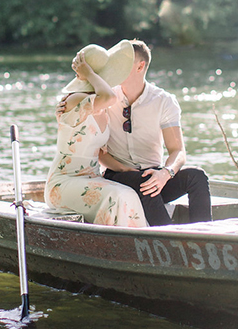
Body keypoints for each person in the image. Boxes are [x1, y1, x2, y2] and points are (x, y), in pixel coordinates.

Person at [101, 39, 212, 226]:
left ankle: (204, 237)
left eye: (122, 62)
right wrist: (126, 169)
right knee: (147, 185)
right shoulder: (107, 97)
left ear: (140, 66)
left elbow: (177, 151)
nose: (116, 67)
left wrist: (165, 174)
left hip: (154, 176)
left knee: (197, 176)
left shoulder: (164, 101)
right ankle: (171, 241)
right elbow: (99, 152)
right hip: (118, 175)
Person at [45, 41, 147, 228]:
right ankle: (113, 247)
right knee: (114, 196)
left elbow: (101, 154)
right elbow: (110, 97)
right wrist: (90, 74)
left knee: (129, 193)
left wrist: (125, 169)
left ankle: (136, 245)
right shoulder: (74, 99)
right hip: (65, 182)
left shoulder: (103, 110)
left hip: (92, 179)